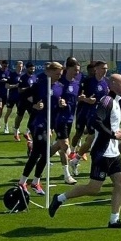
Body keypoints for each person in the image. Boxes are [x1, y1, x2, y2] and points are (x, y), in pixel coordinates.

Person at [49, 73, 121, 229]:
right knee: (94, 188)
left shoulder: (116, 101)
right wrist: (114, 134)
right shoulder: (106, 101)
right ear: (112, 84)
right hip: (102, 152)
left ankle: (114, 220)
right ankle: (59, 198)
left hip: (114, 152)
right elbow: (96, 121)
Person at [17, 62, 64, 195]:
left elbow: (59, 103)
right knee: (43, 151)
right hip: (37, 123)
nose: (59, 75)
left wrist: (62, 103)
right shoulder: (40, 85)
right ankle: (30, 182)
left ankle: (27, 182)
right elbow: (23, 96)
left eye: (60, 73)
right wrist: (34, 106)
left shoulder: (60, 87)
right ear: (49, 72)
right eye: (57, 72)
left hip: (49, 124)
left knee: (38, 153)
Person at [69, 60, 109, 175]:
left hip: (100, 115)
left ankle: (76, 159)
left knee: (93, 138)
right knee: (87, 135)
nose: (105, 70)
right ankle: (75, 156)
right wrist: (86, 100)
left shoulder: (106, 83)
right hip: (87, 113)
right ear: (96, 69)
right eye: (103, 68)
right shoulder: (87, 81)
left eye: (106, 68)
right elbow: (77, 97)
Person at [50, 57, 81, 185]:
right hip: (59, 118)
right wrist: (59, 102)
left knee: (60, 144)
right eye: (75, 70)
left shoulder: (77, 83)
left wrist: (82, 99)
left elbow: (75, 99)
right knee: (65, 146)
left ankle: (42, 157)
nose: (77, 72)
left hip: (69, 118)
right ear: (68, 69)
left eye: (78, 70)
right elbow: (54, 96)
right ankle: (67, 174)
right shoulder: (59, 82)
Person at [1, 60, 24, 136]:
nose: (20, 68)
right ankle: (5, 126)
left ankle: (16, 128)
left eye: (21, 66)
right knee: (9, 111)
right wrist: (15, 86)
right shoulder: (11, 75)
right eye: (18, 66)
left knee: (19, 114)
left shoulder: (23, 76)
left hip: (20, 98)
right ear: (16, 66)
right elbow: (6, 86)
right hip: (11, 97)